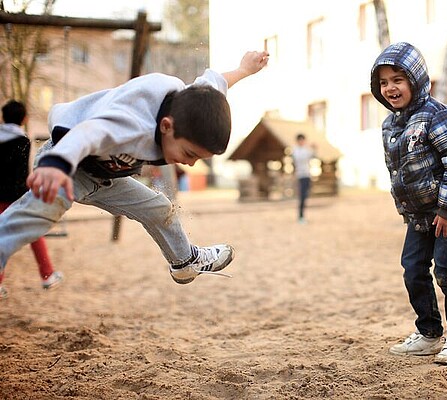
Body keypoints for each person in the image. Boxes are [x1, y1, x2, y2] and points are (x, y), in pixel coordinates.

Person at [0, 50, 269, 285]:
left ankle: (185, 262)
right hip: (66, 164)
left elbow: (215, 82)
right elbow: (88, 133)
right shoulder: (130, 123)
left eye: (199, 159)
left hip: (107, 177)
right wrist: (56, 164)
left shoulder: (192, 105)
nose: (190, 163)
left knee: (159, 208)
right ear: (166, 125)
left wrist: (244, 69)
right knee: (37, 215)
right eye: (189, 153)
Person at [370, 42, 447, 365]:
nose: (390, 88)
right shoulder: (391, 124)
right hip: (417, 214)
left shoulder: (439, 116)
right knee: (413, 269)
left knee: (445, 269)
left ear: (416, 81)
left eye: (398, 80)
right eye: (384, 82)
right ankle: (429, 332)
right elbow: (400, 171)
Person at [0, 100, 64, 299]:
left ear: (3, 117)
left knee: (3, 235)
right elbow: (21, 172)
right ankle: (47, 274)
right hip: (15, 195)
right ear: (24, 118)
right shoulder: (22, 140)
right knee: (33, 231)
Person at [291, 133, 315, 223]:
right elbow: (300, 158)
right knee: (302, 196)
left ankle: (302, 215)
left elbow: (313, 155)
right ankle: (301, 216)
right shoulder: (296, 151)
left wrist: (314, 148)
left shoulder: (306, 150)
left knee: (305, 195)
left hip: (307, 175)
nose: (302, 142)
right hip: (300, 175)